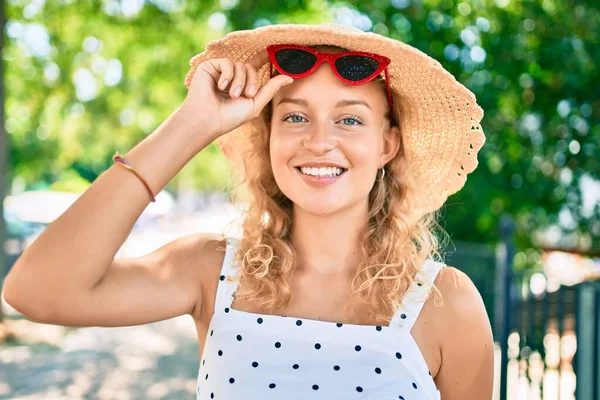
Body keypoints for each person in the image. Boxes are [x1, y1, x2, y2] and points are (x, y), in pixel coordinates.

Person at [4, 23, 494, 399]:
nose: (320, 141)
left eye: (349, 119)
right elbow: (37, 291)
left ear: (388, 144)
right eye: (295, 116)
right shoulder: (211, 272)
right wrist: (193, 123)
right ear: (269, 138)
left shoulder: (447, 304)